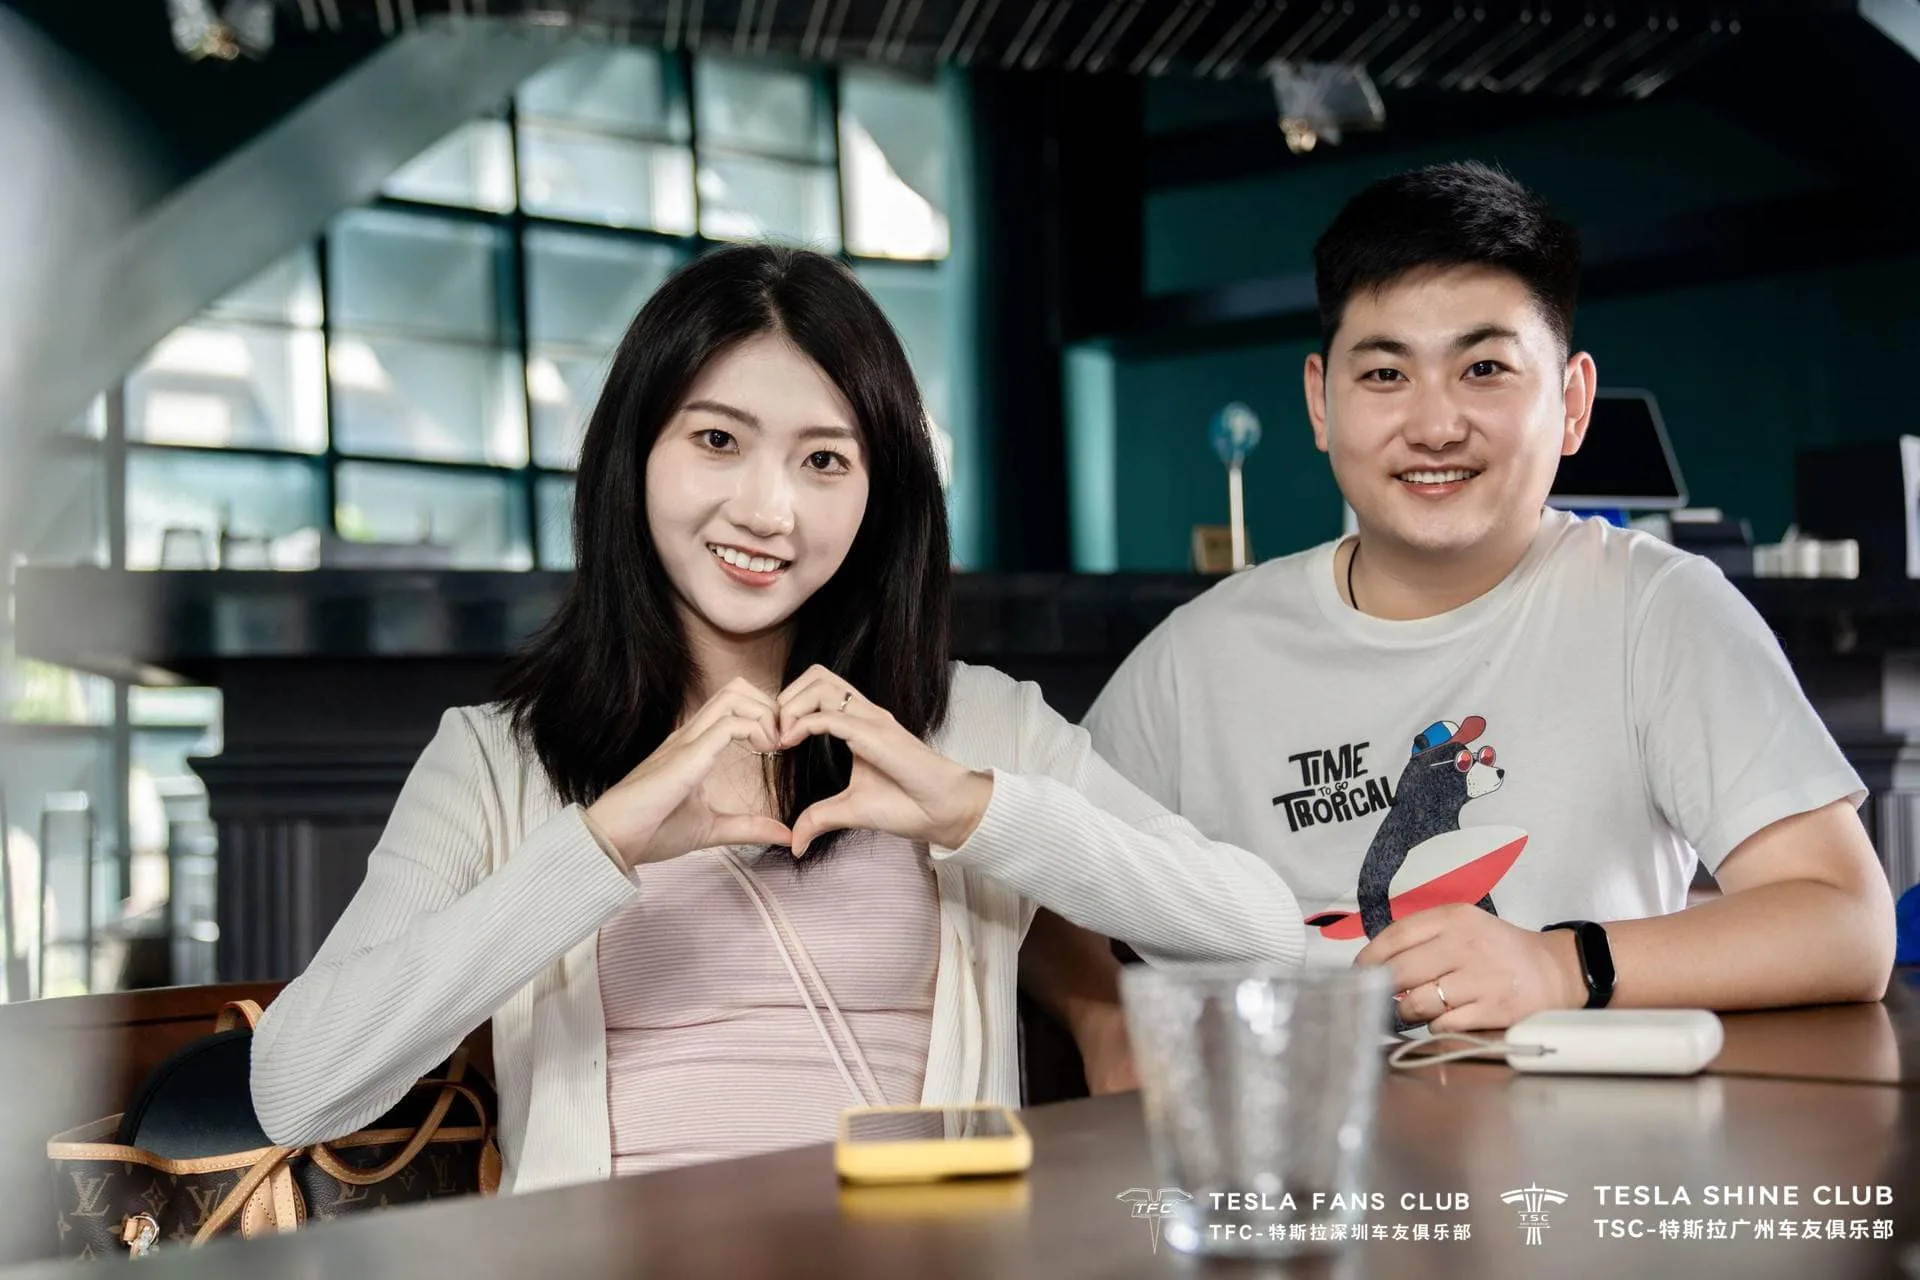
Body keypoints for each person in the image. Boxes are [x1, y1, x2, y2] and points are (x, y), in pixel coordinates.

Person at [250, 244, 1303, 1193]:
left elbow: (1261, 932)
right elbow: (297, 1084)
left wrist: (968, 809)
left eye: (825, 460)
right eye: (718, 439)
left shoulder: (975, 722)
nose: (768, 510)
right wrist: (600, 843)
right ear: (635, 452)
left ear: (879, 495)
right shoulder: (496, 757)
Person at [1082, 161, 1895, 1035]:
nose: (1435, 427)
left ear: (1572, 403)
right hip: (1289, 1120)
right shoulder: (1201, 653)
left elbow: (1845, 923)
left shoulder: (1657, 610)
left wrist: (1562, 965)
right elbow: (1032, 877)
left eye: (1484, 368)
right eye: (1385, 375)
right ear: (1321, 402)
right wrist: (1103, 1029)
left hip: (1579, 1118)